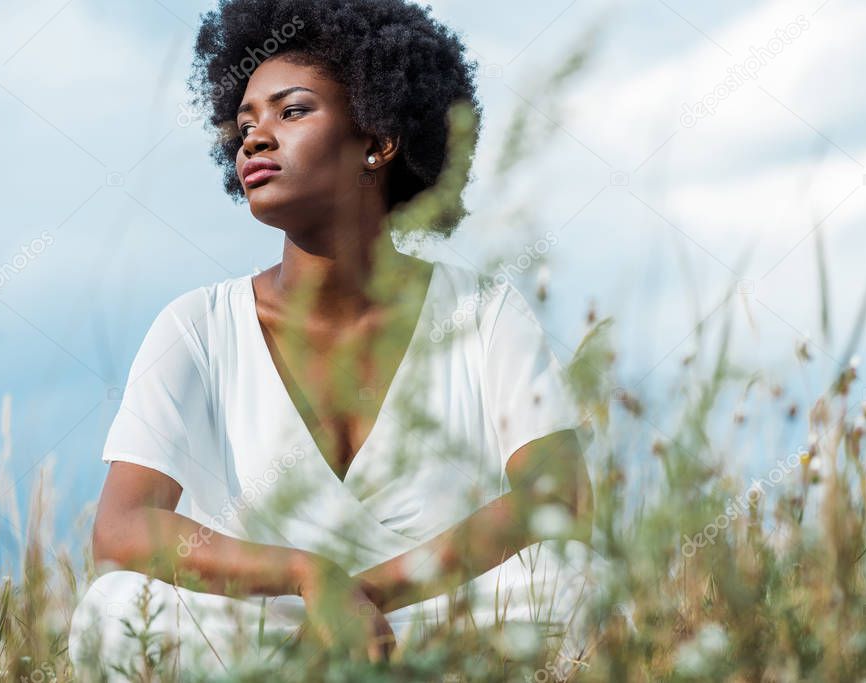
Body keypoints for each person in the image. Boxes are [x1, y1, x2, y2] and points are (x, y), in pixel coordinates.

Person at [69, 0, 610, 678]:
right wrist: (310, 578)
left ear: (379, 140)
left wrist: (364, 601)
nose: (255, 138)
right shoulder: (196, 324)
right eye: (244, 125)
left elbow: (557, 495)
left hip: (427, 619)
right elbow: (122, 527)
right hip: (267, 627)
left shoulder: (482, 311)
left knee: (572, 576)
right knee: (114, 609)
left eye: (291, 111)